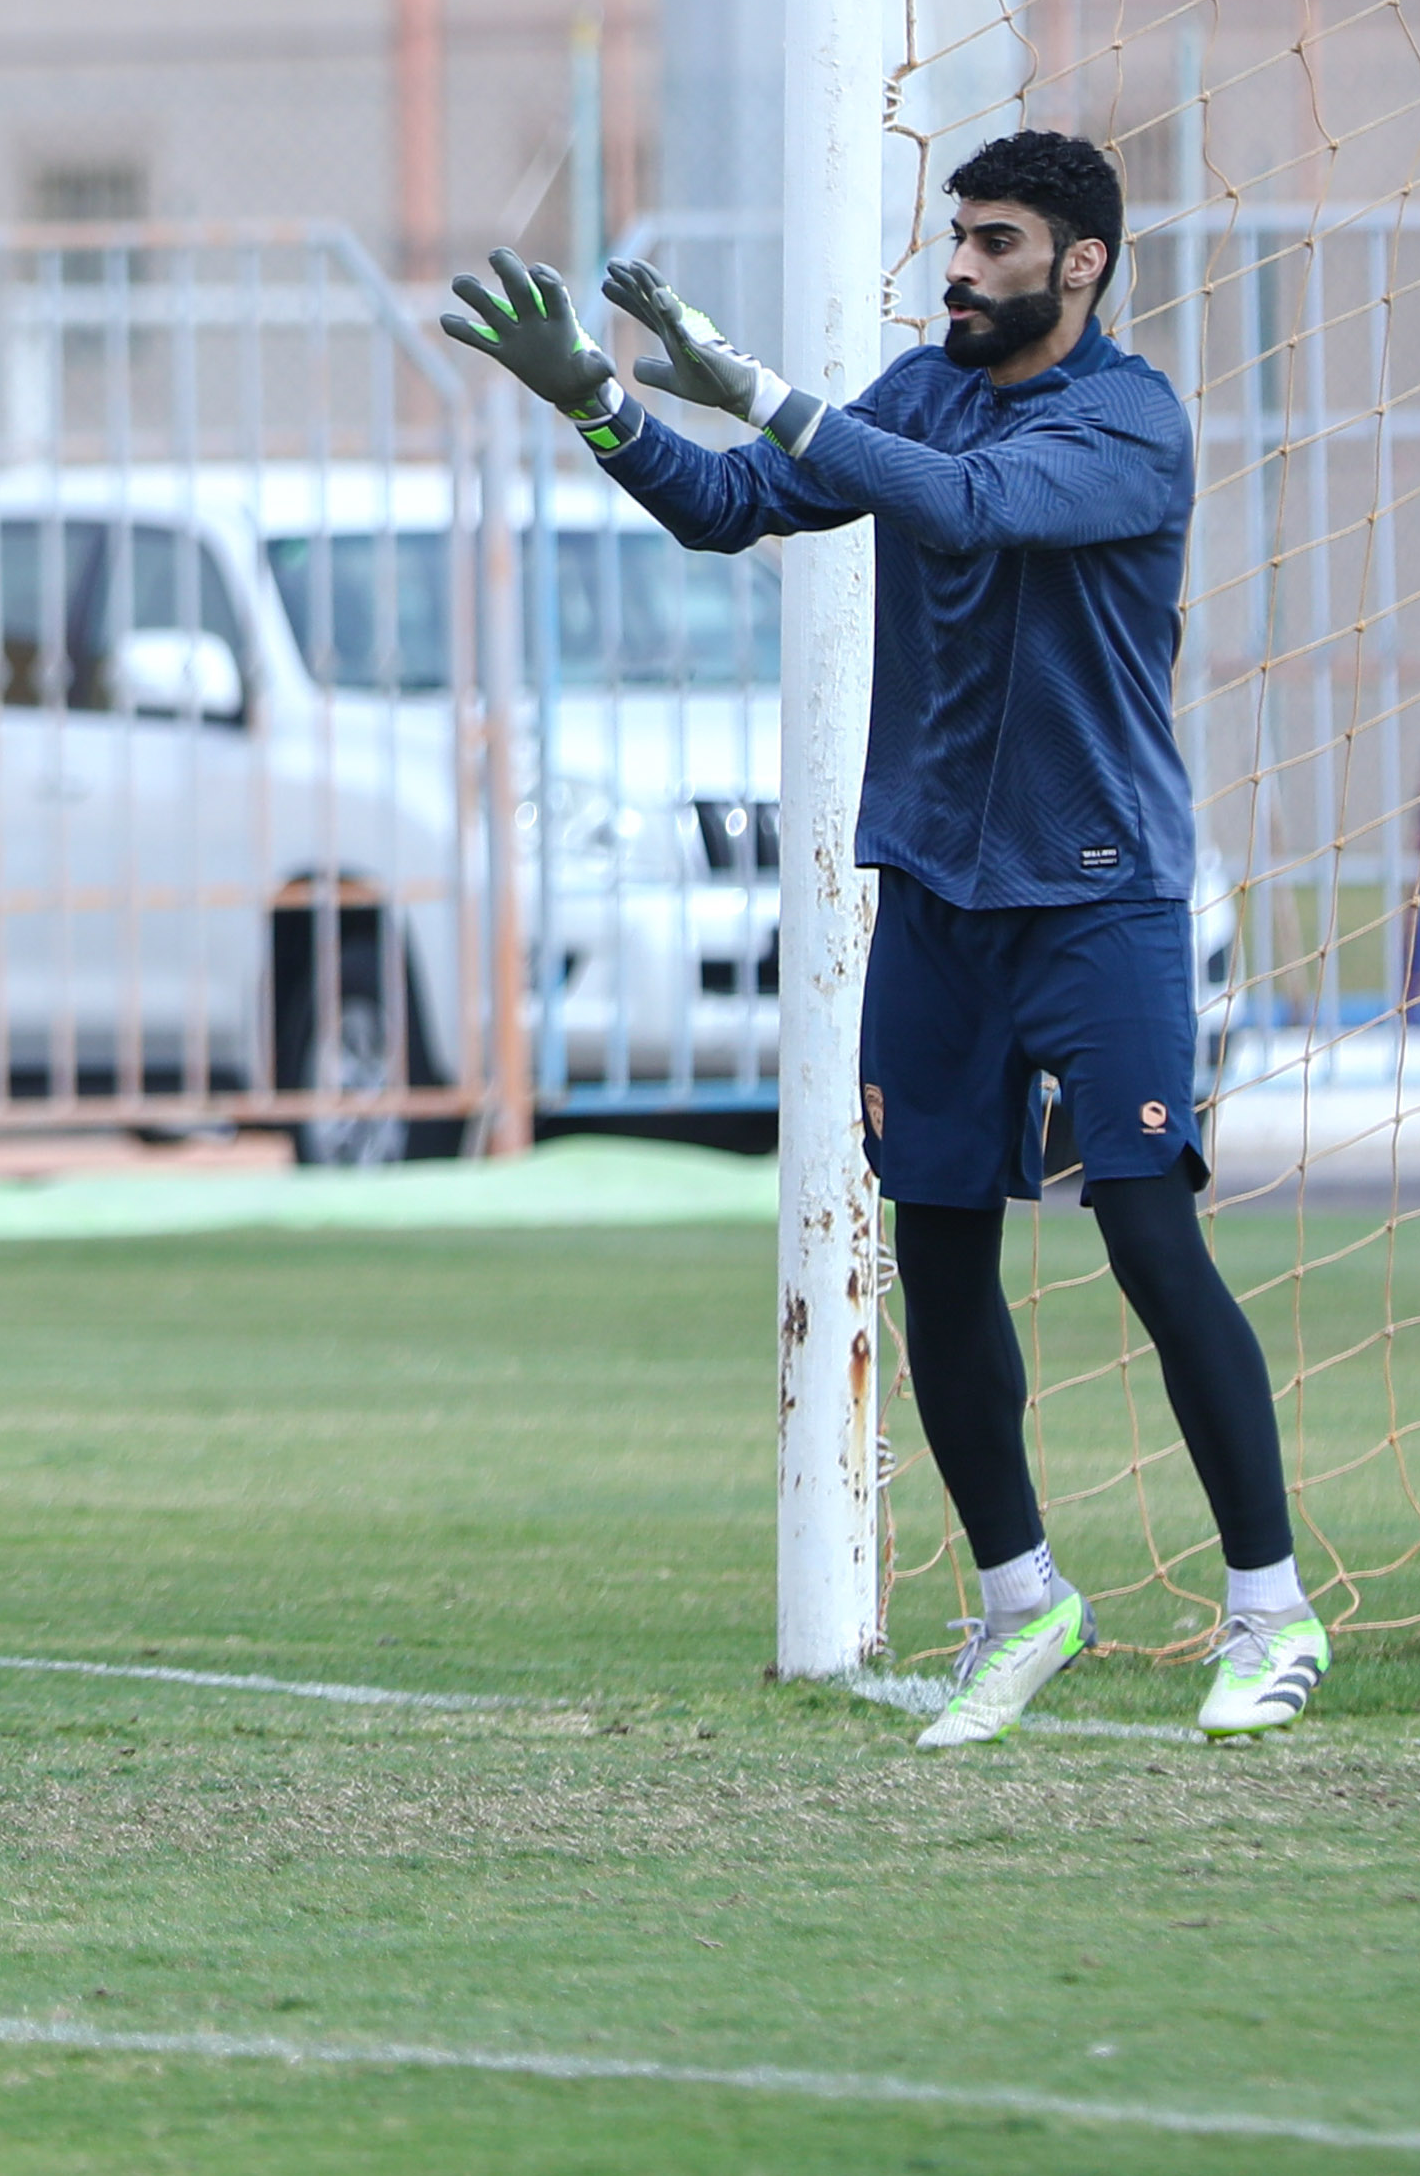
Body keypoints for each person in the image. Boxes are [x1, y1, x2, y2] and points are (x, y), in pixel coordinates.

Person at [443, 128, 1326, 1748]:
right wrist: (601, 403)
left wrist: (772, 391)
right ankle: (1020, 1600)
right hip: (929, 893)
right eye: (958, 240)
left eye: (996, 244)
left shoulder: (1128, 421)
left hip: (1101, 894)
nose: (962, 269)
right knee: (934, 1254)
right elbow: (727, 508)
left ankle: (1270, 1608)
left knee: (1145, 1235)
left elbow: (969, 510)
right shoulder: (920, 390)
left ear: (1082, 264)